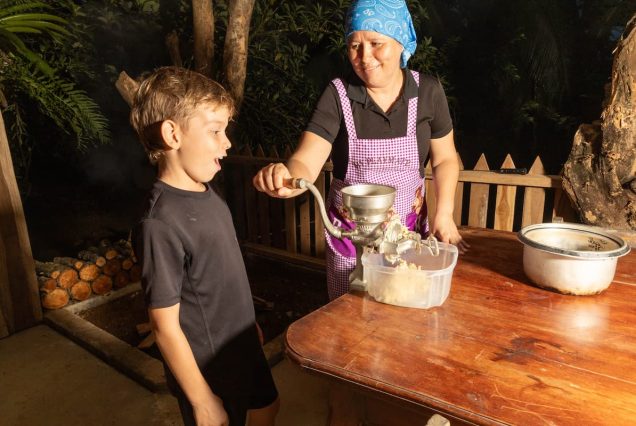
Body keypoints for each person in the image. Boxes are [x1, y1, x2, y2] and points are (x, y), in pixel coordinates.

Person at [253, 0, 469, 301]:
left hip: (406, 238)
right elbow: (306, 159)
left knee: (403, 310)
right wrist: (287, 177)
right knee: (351, 322)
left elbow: (445, 158)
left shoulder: (428, 91)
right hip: (350, 241)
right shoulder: (337, 95)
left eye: (376, 43)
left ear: (400, 42)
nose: (364, 57)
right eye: (354, 45)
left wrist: (444, 213)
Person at [130, 66, 279, 426]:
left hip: (241, 343)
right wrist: (201, 399)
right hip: (211, 365)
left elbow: (219, 273)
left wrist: (247, 323)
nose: (227, 142)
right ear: (172, 134)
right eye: (215, 131)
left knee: (266, 409)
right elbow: (163, 325)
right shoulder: (159, 223)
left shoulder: (206, 192)